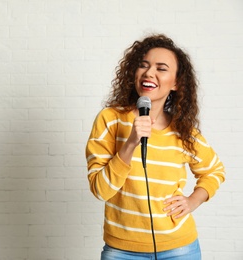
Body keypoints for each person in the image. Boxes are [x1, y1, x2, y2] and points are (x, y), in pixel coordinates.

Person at [85, 34, 225, 260]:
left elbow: (215, 170)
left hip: (180, 249)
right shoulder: (109, 120)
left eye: (161, 68)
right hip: (122, 251)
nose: (149, 73)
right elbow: (101, 190)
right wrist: (131, 143)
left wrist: (193, 200)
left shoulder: (184, 132)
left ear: (176, 83)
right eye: (143, 65)